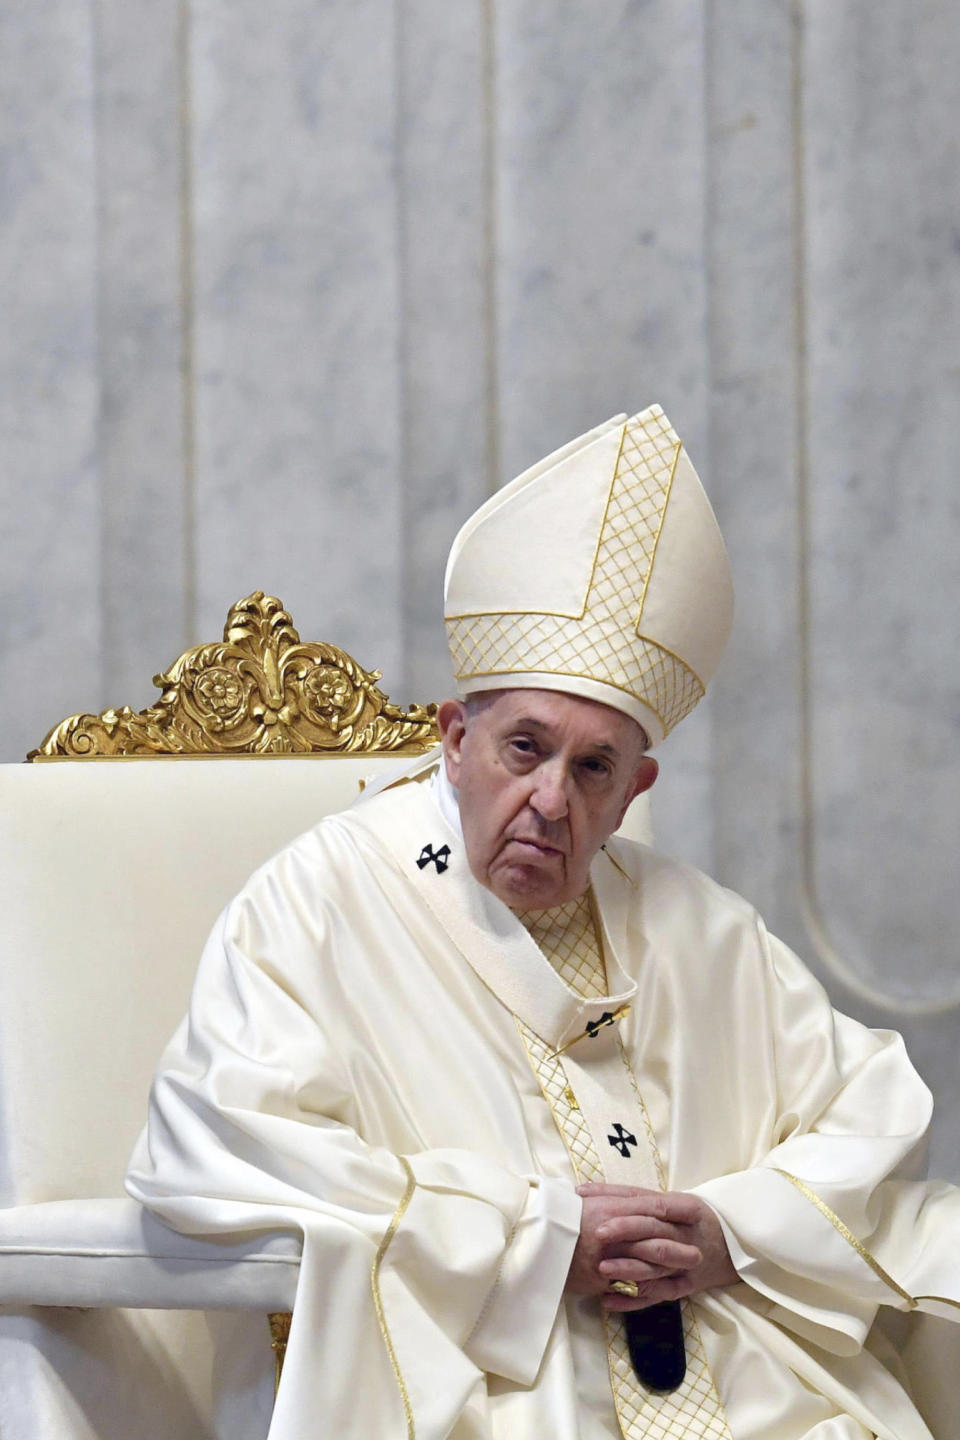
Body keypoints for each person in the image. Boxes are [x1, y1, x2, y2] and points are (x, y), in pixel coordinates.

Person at [127, 405, 960, 1439]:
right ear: (454, 739)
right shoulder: (323, 898)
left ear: (633, 788)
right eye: (525, 749)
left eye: (594, 768)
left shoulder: (699, 926)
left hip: (754, 1386)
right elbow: (214, 1133)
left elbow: (870, 1112)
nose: (553, 802)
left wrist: (734, 1234)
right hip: (492, 1389)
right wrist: (530, 1241)